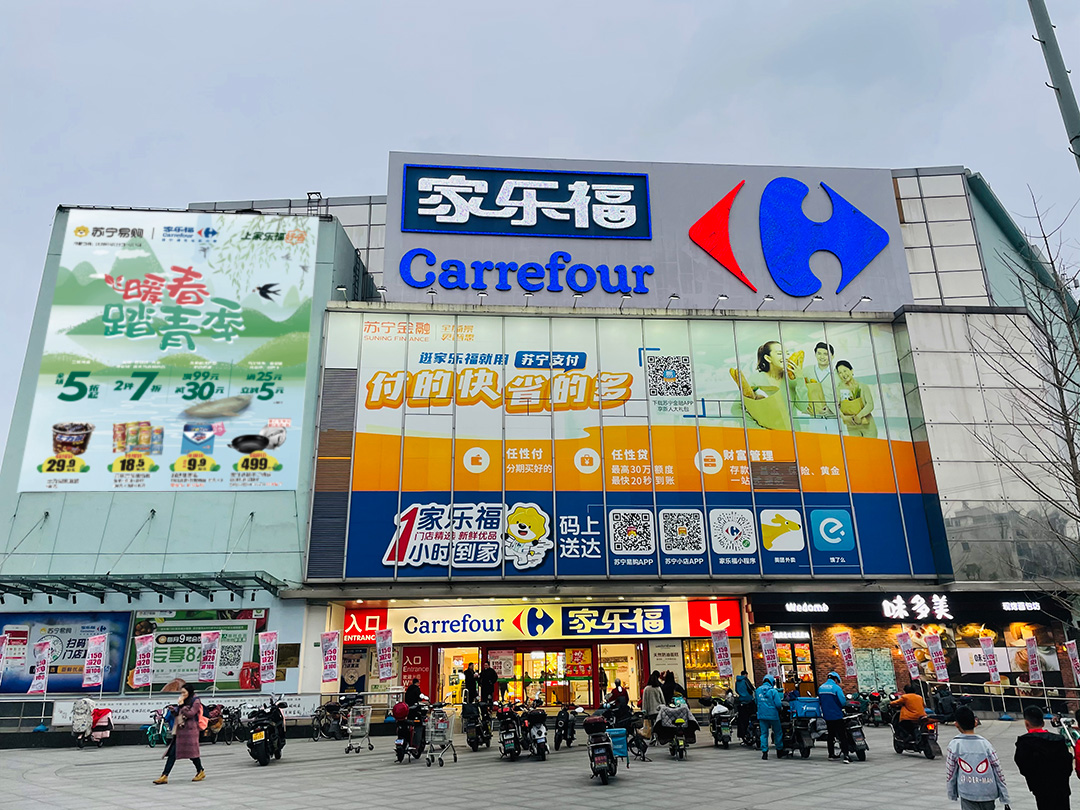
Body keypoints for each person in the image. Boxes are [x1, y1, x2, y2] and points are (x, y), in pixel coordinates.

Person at [946, 706, 1010, 810]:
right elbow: (997, 769)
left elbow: (951, 772)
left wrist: (952, 792)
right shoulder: (986, 744)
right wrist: (1004, 795)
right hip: (988, 792)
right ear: (975, 722)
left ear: (956, 724)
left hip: (967, 792)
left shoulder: (954, 745)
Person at [1015, 704, 1072, 810]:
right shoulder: (1058, 740)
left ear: (1026, 723)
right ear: (1043, 722)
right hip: (1061, 788)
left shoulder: (1025, 743)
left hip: (1041, 789)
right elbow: (1068, 765)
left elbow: (1023, 766)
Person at [153, 684, 205, 785]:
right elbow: (179, 713)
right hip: (181, 731)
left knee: (192, 754)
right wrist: (174, 710)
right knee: (173, 753)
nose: (182, 694)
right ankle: (164, 776)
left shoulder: (196, 701)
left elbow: (191, 713)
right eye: (181, 692)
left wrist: (182, 706)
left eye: (184, 692)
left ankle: (200, 770)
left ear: (189, 692)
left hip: (190, 731)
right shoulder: (184, 700)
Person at [835, 360, 878, 438]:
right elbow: (836, 406)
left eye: (845, 371)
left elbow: (870, 405)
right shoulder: (839, 390)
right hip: (852, 427)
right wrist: (843, 417)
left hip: (867, 425)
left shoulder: (863, 387)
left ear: (851, 371)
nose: (843, 374)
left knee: (871, 445)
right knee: (856, 445)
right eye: (840, 373)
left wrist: (859, 416)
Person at [818, 671, 852, 763]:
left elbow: (820, 701)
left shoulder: (821, 688)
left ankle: (831, 754)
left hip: (827, 716)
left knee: (830, 735)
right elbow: (842, 702)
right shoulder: (836, 688)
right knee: (842, 735)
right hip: (837, 715)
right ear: (836, 679)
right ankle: (846, 756)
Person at [755, 674, 785, 760]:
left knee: (764, 734)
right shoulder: (773, 691)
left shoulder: (758, 690)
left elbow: (756, 702)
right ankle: (779, 751)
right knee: (777, 732)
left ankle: (764, 752)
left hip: (762, 715)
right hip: (773, 715)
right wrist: (780, 709)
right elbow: (778, 704)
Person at [734, 669, 755, 742]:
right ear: (746, 674)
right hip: (748, 700)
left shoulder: (737, 681)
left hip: (741, 700)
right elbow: (751, 688)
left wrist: (741, 694)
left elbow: (736, 690)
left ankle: (743, 733)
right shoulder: (745, 680)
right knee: (752, 715)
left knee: (742, 718)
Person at [641, 672, 663, 738]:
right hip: (658, 710)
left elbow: (644, 701)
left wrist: (644, 711)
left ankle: (652, 736)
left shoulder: (646, 689)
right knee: (658, 724)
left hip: (650, 711)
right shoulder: (658, 688)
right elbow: (662, 699)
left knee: (651, 725)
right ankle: (658, 736)